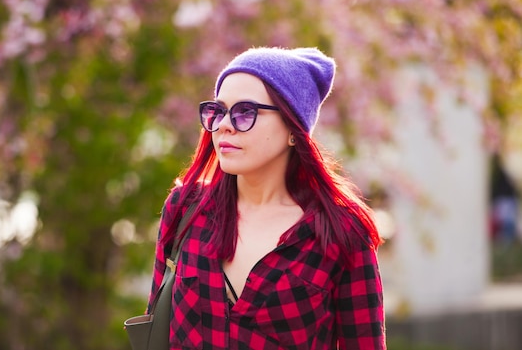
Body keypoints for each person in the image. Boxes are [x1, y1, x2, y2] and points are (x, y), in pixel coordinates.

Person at [147, 47, 386, 350]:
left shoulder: (341, 231)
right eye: (218, 111)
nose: (224, 125)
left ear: (292, 129)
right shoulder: (185, 209)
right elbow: (156, 328)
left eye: (245, 112)